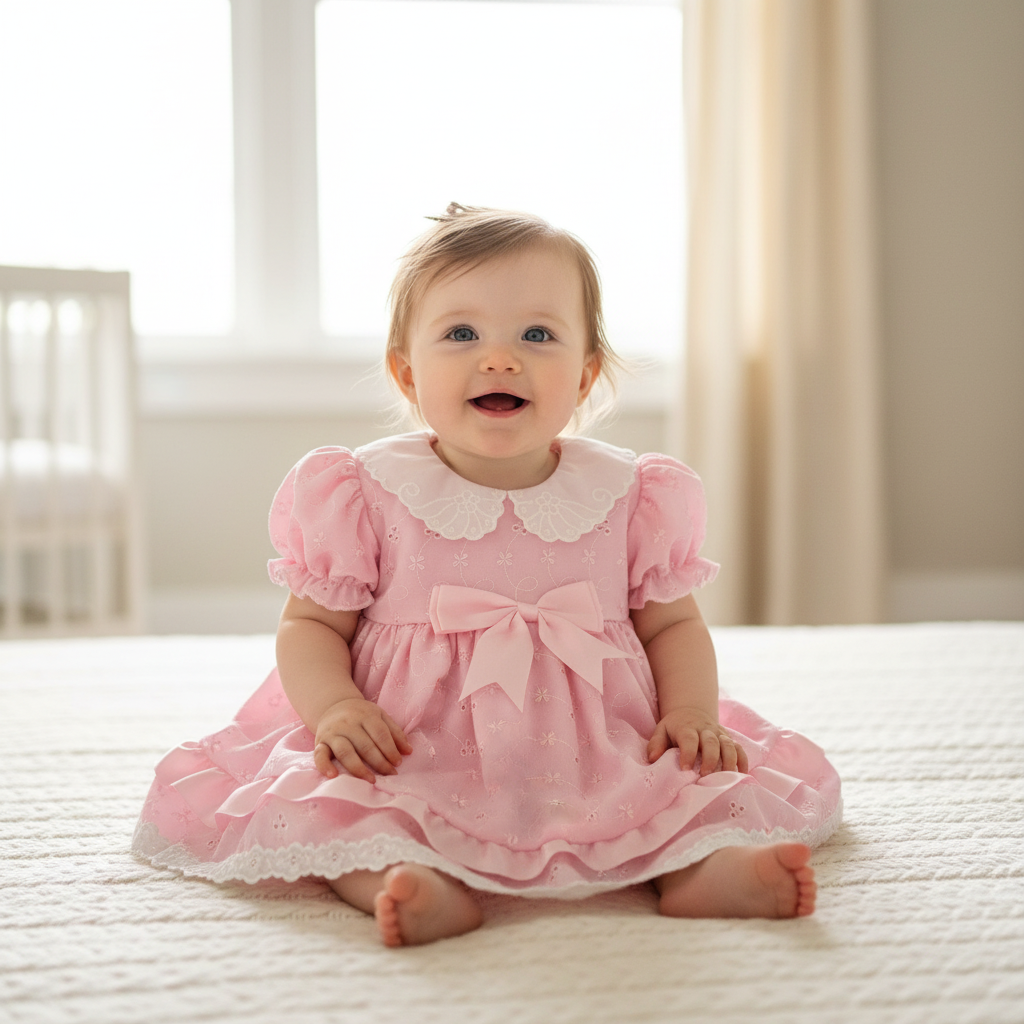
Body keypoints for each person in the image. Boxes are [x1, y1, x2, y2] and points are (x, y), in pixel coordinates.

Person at [133, 204, 841, 947]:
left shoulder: (630, 494)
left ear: (585, 375)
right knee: (346, 807)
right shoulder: (366, 492)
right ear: (407, 373)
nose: (500, 359)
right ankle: (407, 881)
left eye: (537, 335)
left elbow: (672, 623)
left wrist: (692, 712)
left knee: (682, 788)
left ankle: (707, 873)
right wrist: (338, 709)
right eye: (462, 334)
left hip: (598, 741)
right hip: (413, 741)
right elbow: (310, 624)